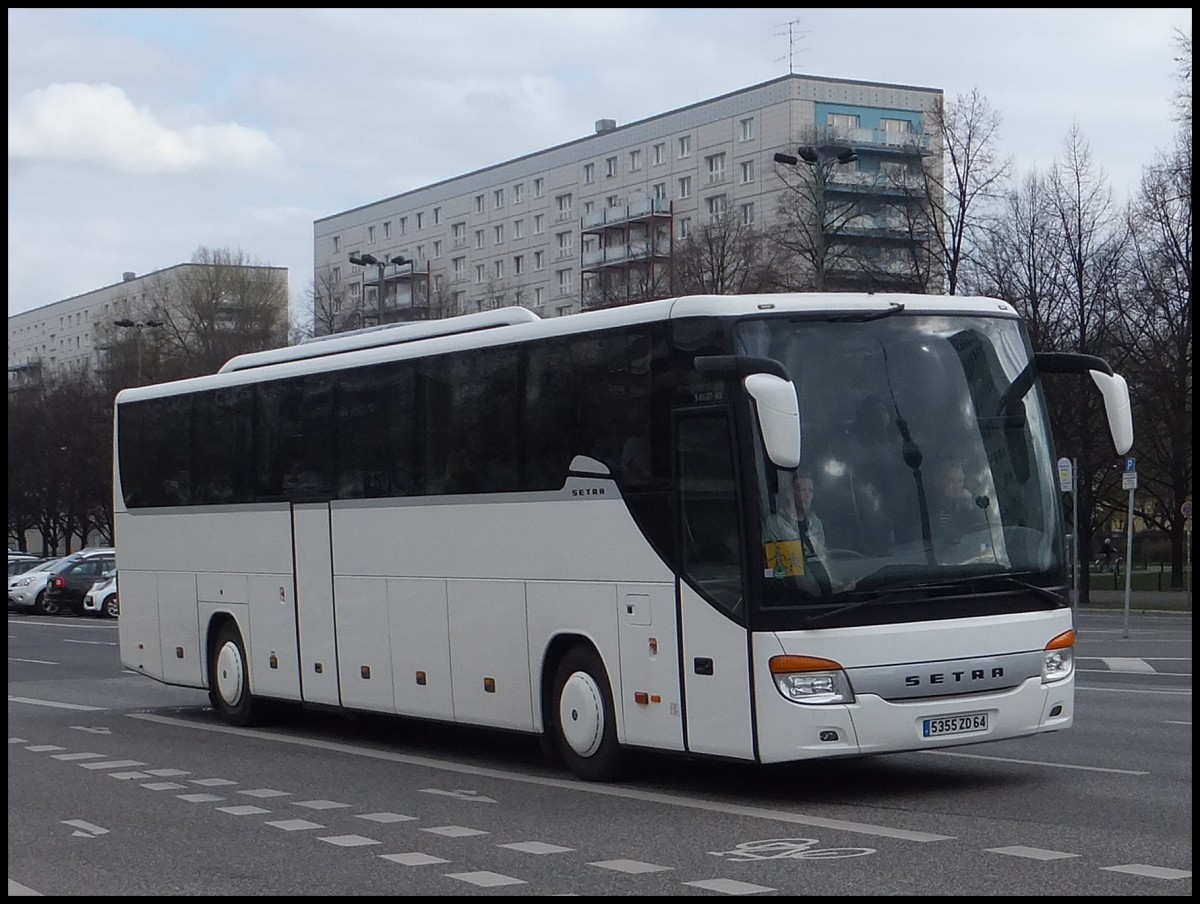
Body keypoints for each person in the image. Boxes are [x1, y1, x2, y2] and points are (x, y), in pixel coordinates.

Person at [932, 460, 985, 540]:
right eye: (951, 481)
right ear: (941, 483)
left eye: (960, 481)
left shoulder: (966, 506)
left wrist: (969, 506)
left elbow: (982, 532)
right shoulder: (933, 509)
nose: (957, 486)